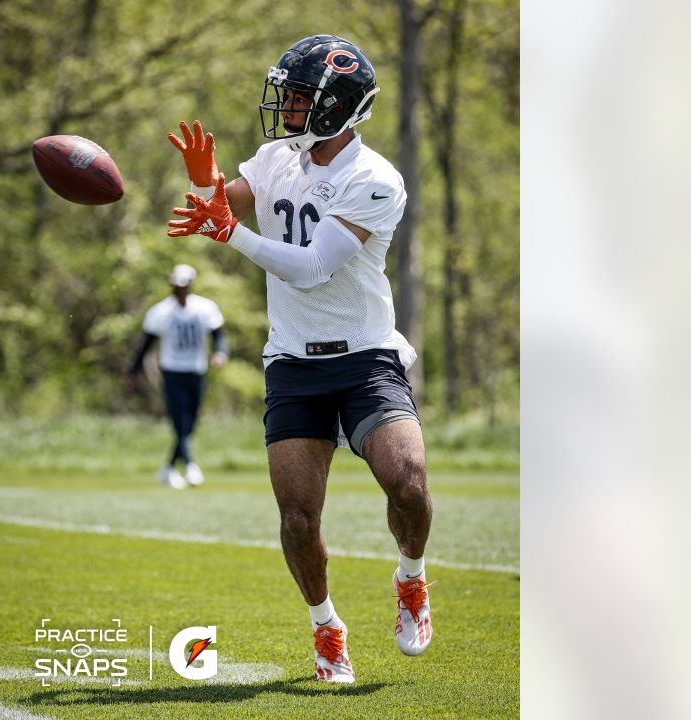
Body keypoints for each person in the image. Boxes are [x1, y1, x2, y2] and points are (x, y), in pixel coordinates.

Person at [166, 35, 434, 684]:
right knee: (296, 518)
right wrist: (208, 183)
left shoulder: (375, 180)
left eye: (298, 97)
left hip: (366, 357)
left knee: (409, 484)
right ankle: (326, 628)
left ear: (338, 106)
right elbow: (221, 206)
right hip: (293, 362)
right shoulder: (276, 157)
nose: (284, 107)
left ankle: (412, 579)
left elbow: (313, 268)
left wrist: (231, 234)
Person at [126, 264, 228, 490]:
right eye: (176, 286)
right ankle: (190, 465)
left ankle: (169, 468)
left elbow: (219, 336)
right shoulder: (160, 312)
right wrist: (132, 372)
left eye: (184, 285)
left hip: (197, 369)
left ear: (190, 285)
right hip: (172, 371)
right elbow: (146, 345)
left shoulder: (205, 308)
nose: (180, 290)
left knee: (190, 421)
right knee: (179, 419)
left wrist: (220, 353)